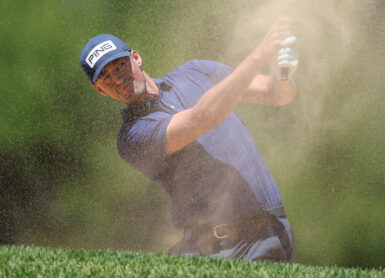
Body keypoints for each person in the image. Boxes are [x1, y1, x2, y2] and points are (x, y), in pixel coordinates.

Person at [80, 17, 298, 262]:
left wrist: (284, 70)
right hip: (217, 247)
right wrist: (259, 55)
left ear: (136, 57)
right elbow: (203, 118)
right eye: (106, 78)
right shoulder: (132, 136)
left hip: (270, 232)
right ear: (99, 90)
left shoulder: (195, 71)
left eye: (119, 65)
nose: (118, 79)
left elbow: (277, 94)